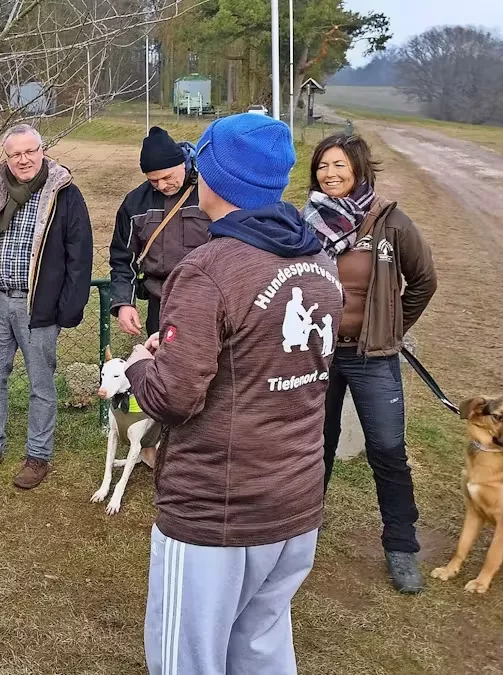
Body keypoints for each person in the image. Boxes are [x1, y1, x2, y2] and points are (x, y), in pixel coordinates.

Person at [123, 113, 343, 674]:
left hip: (216, 511)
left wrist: (140, 364)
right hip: (295, 500)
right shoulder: (318, 258)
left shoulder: (210, 268)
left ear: (211, 176)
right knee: (262, 649)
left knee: (186, 660)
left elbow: (172, 396)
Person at [303, 133, 437, 594]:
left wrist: (390, 326)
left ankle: (401, 545)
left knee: (386, 449)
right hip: (318, 352)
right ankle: (303, 529)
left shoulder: (392, 223)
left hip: (371, 355)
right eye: (323, 166)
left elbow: (423, 281)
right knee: (313, 443)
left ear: (360, 169)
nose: (330, 174)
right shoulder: (307, 221)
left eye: (340, 165)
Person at [0, 124, 93, 490]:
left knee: (41, 384)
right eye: (15, 153)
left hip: (39, 306)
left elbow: (79, 255)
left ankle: (38, 455)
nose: (23, 159)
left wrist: (67, 307)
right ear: (7, 157)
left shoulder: (64, 195)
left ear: (42, 151)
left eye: (29, 151)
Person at [108, 126, 210, 337]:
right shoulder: (135, 204)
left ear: (183, 164)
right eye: (153, 181)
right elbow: (122, 259)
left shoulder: (210, 192)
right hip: (161, 304)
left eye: (167, 177)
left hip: (208, 301)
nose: (162, 185)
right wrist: (124, 303)